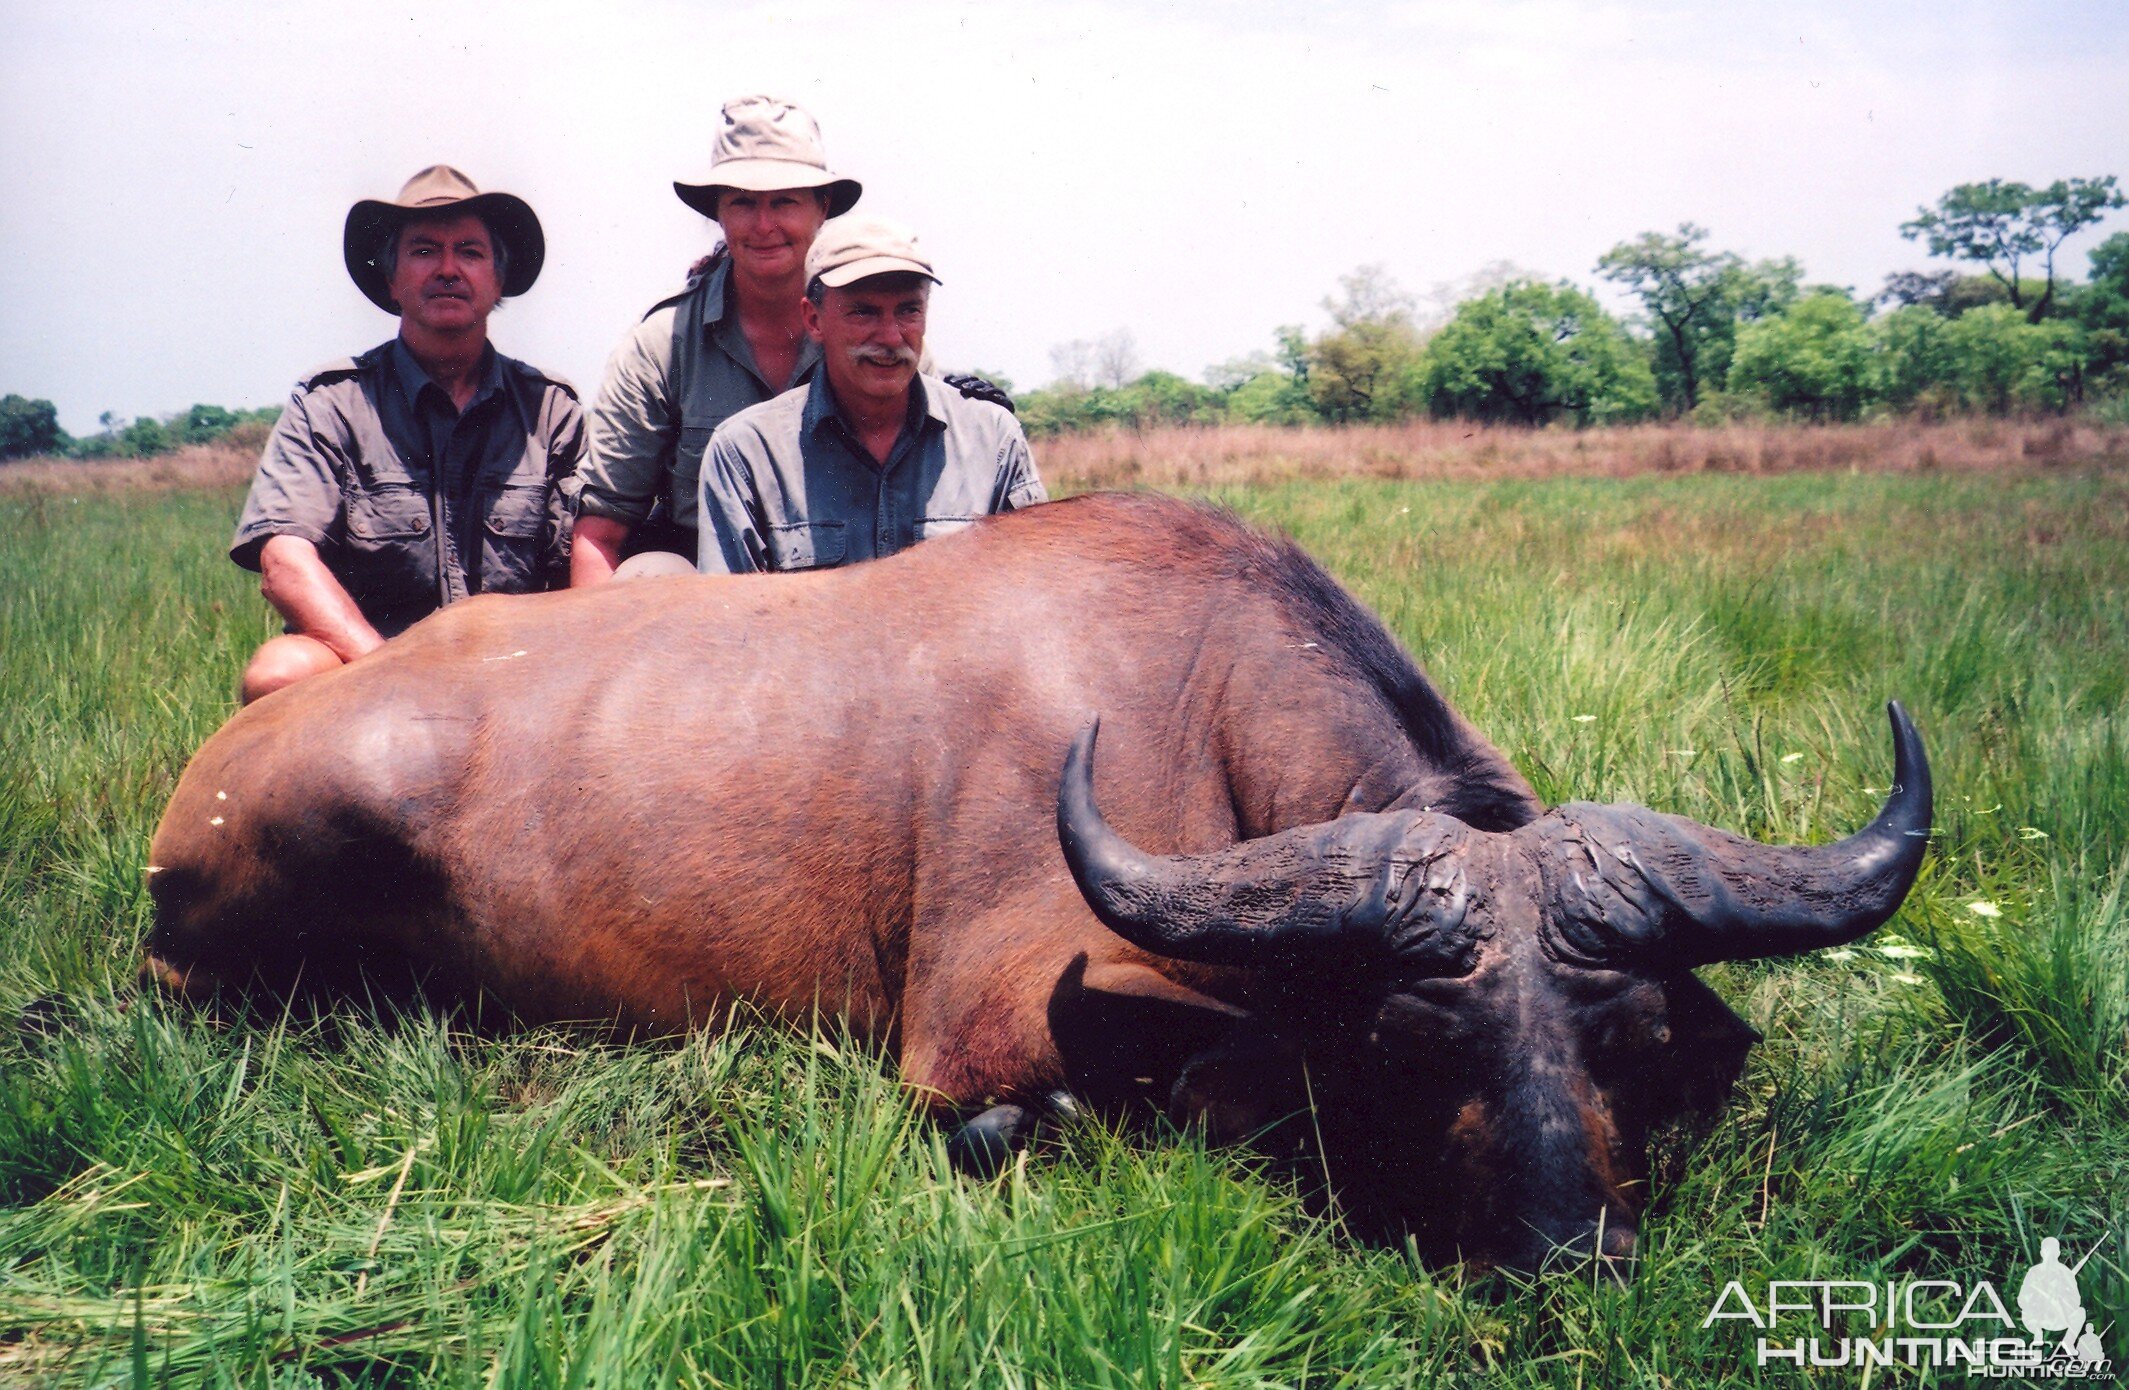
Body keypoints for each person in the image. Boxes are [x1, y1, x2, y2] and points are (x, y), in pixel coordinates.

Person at [574, 94, 1011, 583]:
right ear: (719, 212)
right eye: (743, 202)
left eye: (785, 201)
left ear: (822, 208)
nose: (765, 225)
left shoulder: (881, 345)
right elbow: (601, 529)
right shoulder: (660, 347)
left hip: (854, 585)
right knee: (650, 575)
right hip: (712, 604)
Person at [229, 166, 583, 704]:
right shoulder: (331, 402)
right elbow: (284, 562)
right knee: (280, 672)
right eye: (422, 251)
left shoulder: (551, 409)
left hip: (518, 671)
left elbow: (583, 568)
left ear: (498, 278)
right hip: (371, 662)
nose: (447, 269)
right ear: (390, 279)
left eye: (469, 251)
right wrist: (389, 674)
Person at [697, 214, 1044, 574]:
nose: (891, 338)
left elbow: (1035, 595)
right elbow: (732, 621)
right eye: (864, 313)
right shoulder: (747, 454)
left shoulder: (993, 441)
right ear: (814, 319)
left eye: (908, 310)